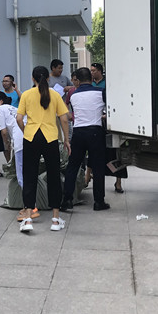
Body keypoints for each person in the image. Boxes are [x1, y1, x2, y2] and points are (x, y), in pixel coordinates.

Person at [16, 66, 70, 232]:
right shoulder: (55, 95)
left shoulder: (26, 94)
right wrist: (66, 139)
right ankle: (55, 219)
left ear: (33, 79)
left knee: (29, 176)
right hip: (50, 137)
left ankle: (28, 218)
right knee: (54, 176)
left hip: (31, 137)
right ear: (48, 78)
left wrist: (26, 131)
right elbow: (64, 119)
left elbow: (19, 118)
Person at [60, 67, 110, 213]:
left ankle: (67, 200)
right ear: (91, 78)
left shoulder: (73, 95)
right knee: (98, 168)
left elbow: (72, 113)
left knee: (73, 166)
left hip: (78, 133)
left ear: (77, 80)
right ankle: (99, 202)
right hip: (95, 132)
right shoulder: (100, 92)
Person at [0, 91, 23, 189]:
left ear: (0, 101)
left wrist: (6, 144)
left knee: (20, 169)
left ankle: (23, 191)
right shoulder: (13, 108)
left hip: (19, 139)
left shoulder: (0, 109)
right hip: (27, 134)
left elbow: (4, 131)